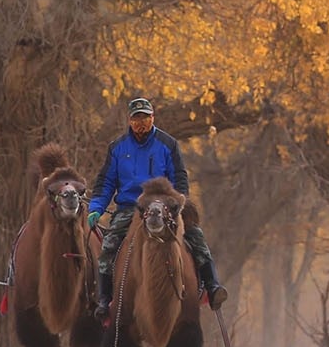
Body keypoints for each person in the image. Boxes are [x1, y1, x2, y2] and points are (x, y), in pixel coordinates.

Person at [88, 97, 227, 322]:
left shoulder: (168, 144)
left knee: (196, 236)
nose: (141, 123)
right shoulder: (117, 148)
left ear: (153, 118)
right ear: (130, 121)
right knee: (109, 245)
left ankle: (212, 287)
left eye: (145, 117)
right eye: (136, 118)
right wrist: (96, 208)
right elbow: (105, 183)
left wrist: (179, 202)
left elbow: (180, 177)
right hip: (130, 208)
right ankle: (105, 300)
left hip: (164, 206)